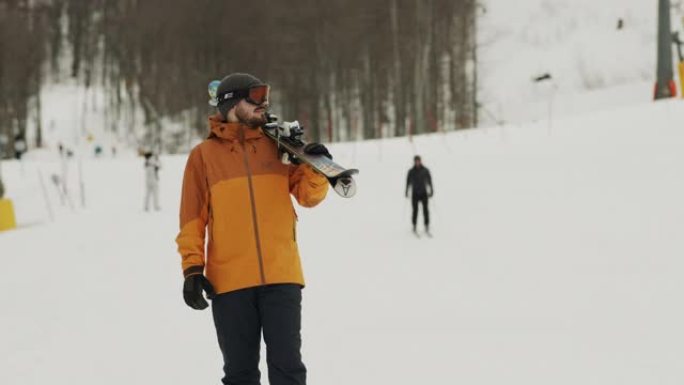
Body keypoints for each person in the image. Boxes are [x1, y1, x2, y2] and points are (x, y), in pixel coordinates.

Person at [176, 72, 331, 385]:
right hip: (230, 283)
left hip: (281, 275)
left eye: (266, 97)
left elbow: (309, 197)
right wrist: (192, 269)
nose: (265, 104)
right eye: (256, 98)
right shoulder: (203, 157)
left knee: (288, 368)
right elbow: (192, 219)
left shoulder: (279, 146)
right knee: (240, 374)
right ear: (232, 104)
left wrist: (314, 167)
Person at [405, 155, 433, 234]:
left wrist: (431, 190)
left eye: (418, 161)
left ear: (421, 161)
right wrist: (406, 191)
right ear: (414, 162)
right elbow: (408, 182)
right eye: (416, 161)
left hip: (424, 193)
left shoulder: (425, 170)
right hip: (415, 194)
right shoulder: (411, 171)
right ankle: (414, 225)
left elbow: (429, 181)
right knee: (415, 211)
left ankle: (426, 225)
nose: (417, 162)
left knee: (425, 211)